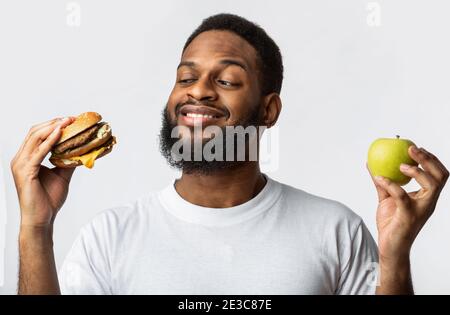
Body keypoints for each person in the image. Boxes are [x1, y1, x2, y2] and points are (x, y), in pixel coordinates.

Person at [11, 14, 448, 295]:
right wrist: (35, 227)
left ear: (268, 110)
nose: (197, 91)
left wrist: (395, 256)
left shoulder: (334, 229)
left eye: (227, 81)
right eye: (186, 77)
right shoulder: (109, 236)